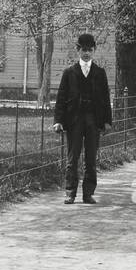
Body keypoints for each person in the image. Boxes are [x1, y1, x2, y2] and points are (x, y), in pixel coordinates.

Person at [53, 33, 113, 203]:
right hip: (74, 120)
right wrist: (58, 120)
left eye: (89, 50)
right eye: (83, 50)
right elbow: (61, 98)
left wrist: (107, 121)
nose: (86, 53)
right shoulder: (69, 72)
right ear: (78, 50)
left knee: (91, 158)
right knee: (72, 157)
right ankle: (70, 192)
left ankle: (88, 193)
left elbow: (105, 99)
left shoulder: (100, 73)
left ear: (94, 50)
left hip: (93, 120)